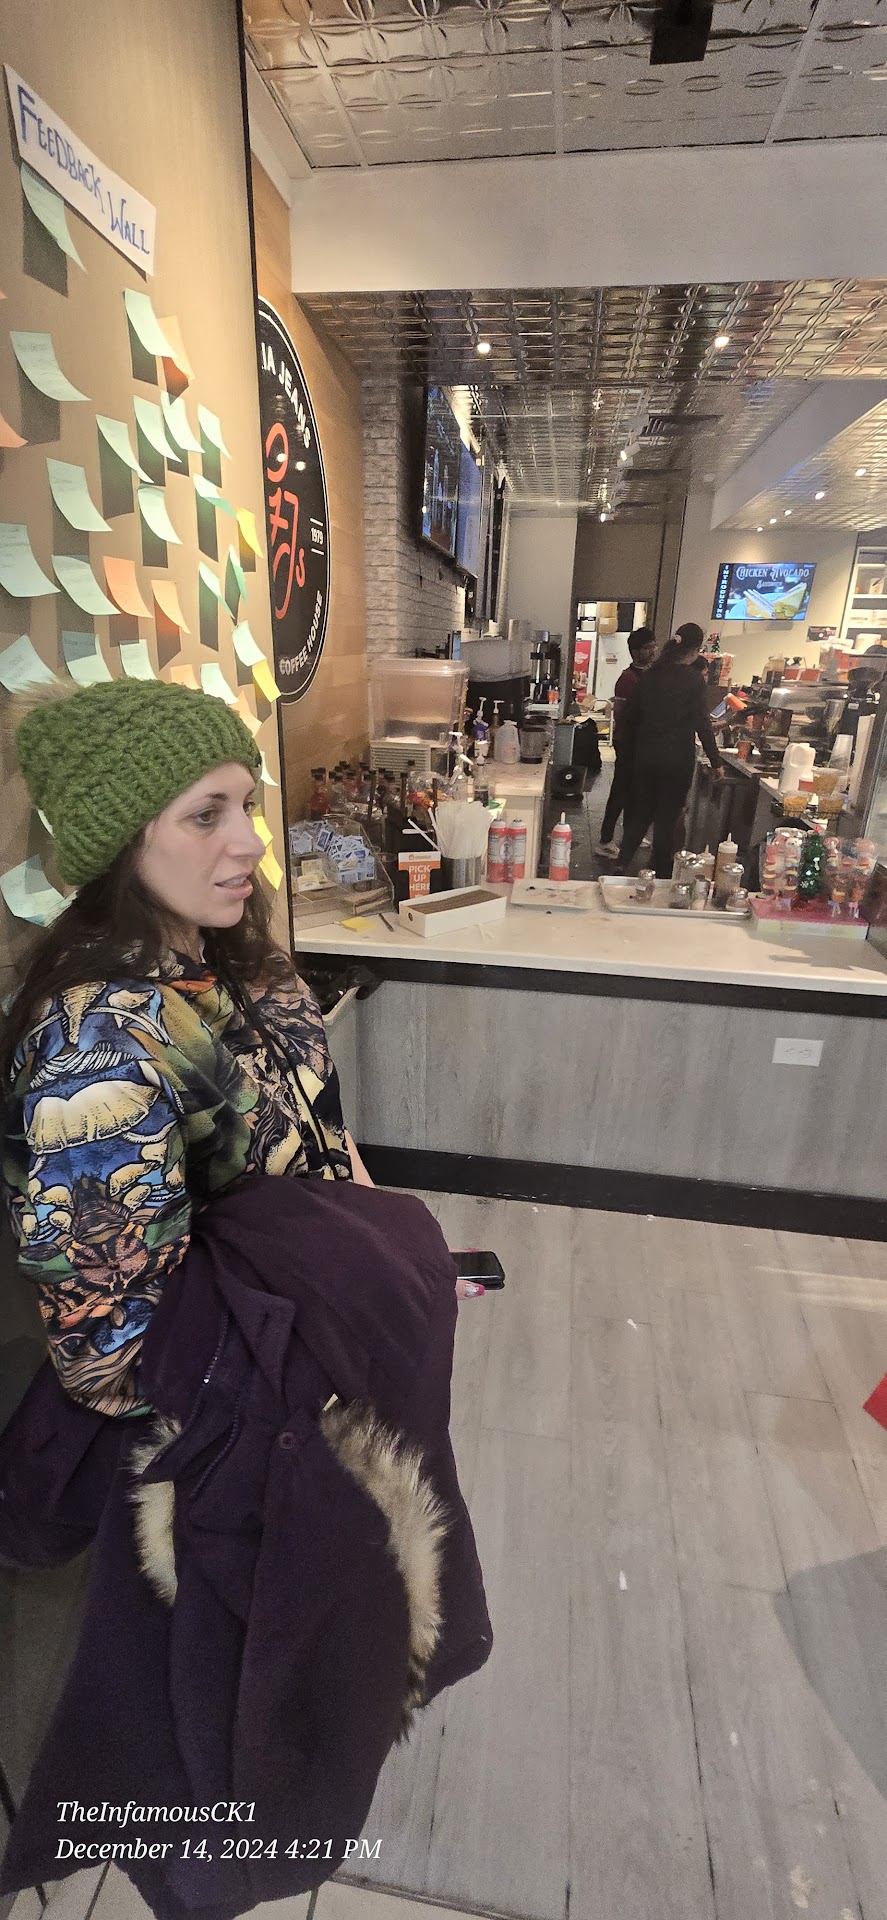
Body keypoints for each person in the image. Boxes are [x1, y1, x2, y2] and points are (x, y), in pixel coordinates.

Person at [1, 679, 482, 1424]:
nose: (253, 842)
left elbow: (322, 1128)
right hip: (260, 1427)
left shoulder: (244, 962)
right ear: (120, 843)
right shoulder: (96, 1054)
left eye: (246, 805)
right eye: (205, 815)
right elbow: (115, 1359)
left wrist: (390, 1257)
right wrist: (331, 1343)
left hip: (340, 1351)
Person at [617, 621, 724, 879]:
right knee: (667, 817)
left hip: (646, 756)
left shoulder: (650, 675)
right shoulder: (693, 679)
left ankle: (622, 861)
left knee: (642, 811)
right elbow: (702, 722)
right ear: (695, 650)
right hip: (677, 759)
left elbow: (629, 715)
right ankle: (661, 871)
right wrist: (716, 760)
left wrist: (631, 751)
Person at [595, 625, 656, 857]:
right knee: (620, 791)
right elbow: (620, 713)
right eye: (648, 648)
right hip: (628, 742)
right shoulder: (627, 678)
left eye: (654, 646)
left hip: (642, 743)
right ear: (635, 651)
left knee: (635, 791)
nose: (653, 651)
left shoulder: (649, 675)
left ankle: (631, 835)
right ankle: (605, 840)